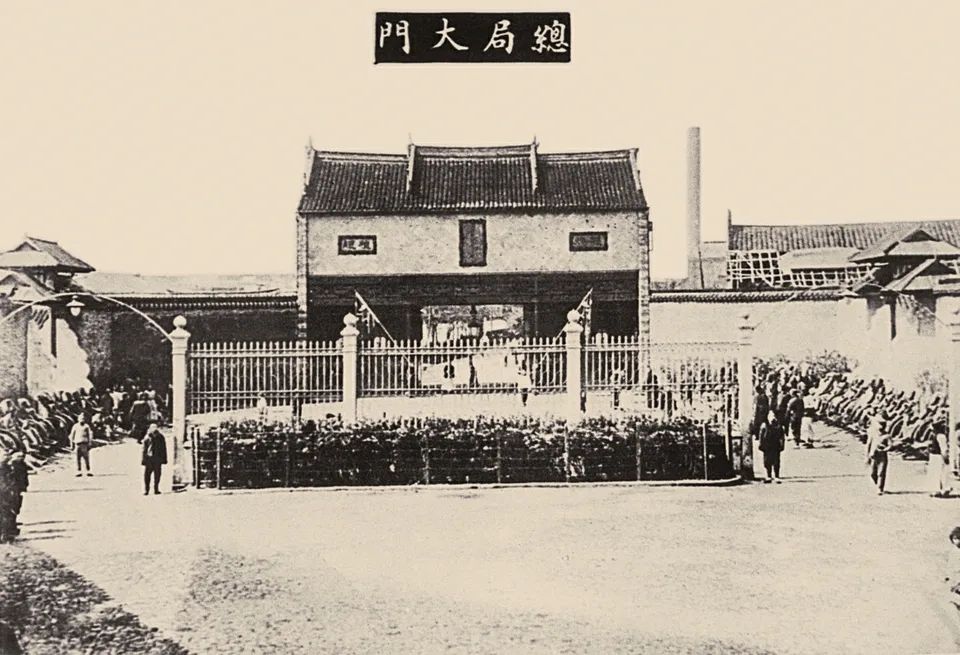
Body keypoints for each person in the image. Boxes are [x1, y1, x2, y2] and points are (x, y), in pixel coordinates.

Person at [865, 411, 890, 495]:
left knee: (881, 472)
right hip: (873, 456)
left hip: (882, 456)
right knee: (873, 473)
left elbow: (891, 445)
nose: (881, 426)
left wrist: (886, 449)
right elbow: (868, 444)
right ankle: (877, 483)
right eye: (880, 424)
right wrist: (867, 456)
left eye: (883, 424)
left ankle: (880, 488)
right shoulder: (873, 434)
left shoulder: (886, 435)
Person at [757, 411, 785, 483]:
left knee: (776, 461)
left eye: (774, 416)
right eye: (771, 416)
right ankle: (768, 476)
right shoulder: (764, 425)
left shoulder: (779, 426)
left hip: (775, 445)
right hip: (767, 446)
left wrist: (782, 445)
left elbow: (782, 437)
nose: (772, 418)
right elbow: (761, 436)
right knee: (767, 461)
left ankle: (776, 476)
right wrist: (761, 445)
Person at [141, 424, 167, 495]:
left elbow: (163, 449)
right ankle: (146, 490)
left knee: (157, 475)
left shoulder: (160, 437)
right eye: (152, 428)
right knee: (147, 475)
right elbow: (144, 449)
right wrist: (143, 460)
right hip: (149, 458)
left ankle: (156, 489)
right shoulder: (147, 437)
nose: (153, 430)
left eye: (155, 428)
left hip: (157, 458)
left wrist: (164, 459)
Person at [928, 427, 951, 498]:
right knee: (939, 473)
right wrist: (946, 457)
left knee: (937, 473)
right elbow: (944, 449)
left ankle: (938, 490)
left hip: (936, 456)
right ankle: (940, 489)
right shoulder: (940, 436)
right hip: (937, 456)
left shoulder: (937, 435)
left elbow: (943, 448)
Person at [946, 527, 960, 609]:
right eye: (954, 538)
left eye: (957, 538)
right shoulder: (953, 551)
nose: (956, 541)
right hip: (955, 575)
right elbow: (950, 564)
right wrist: (948, 576)